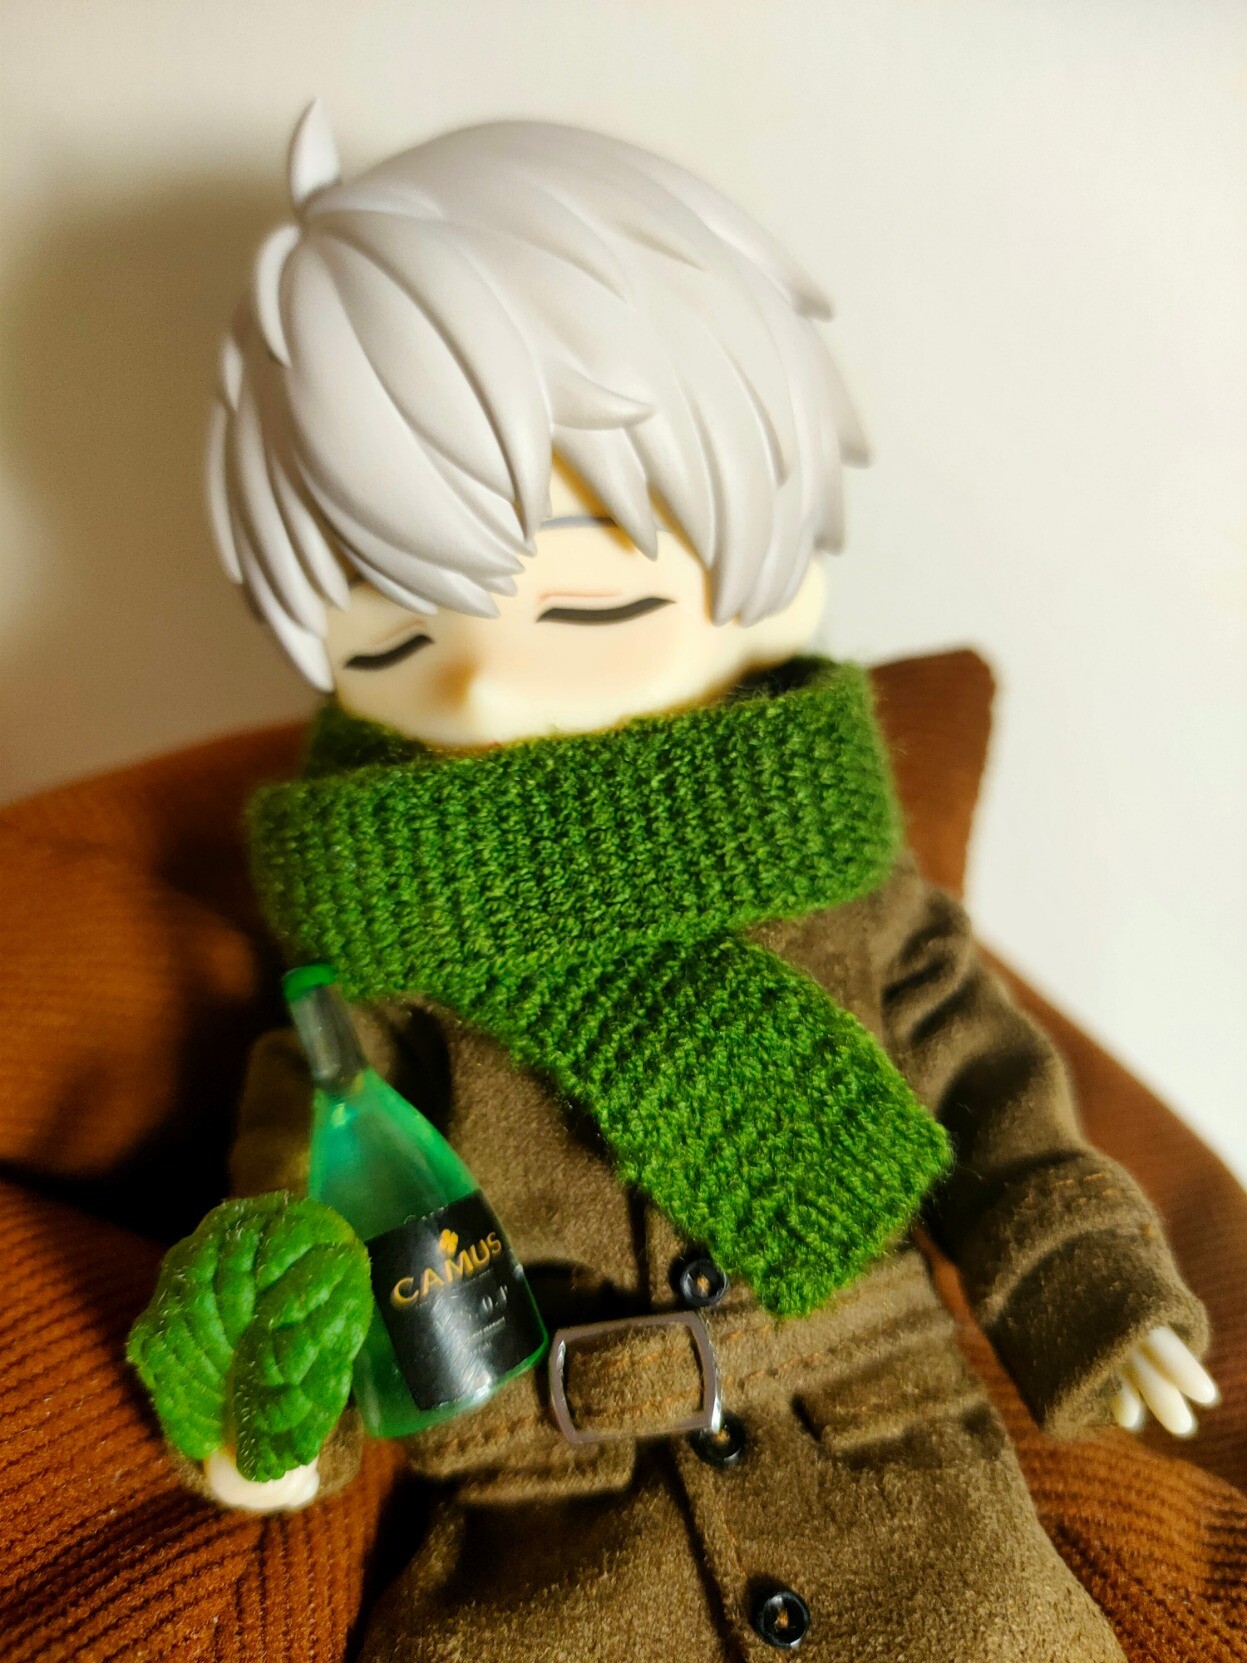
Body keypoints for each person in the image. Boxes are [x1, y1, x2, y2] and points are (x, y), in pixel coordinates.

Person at [191, 103, 1218, 1659]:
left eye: (583, 609)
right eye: (394, 633)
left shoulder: (838, 874)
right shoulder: (372, 945)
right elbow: (314, 1197)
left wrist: (1092, 1283)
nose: (481, 683)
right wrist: (280, 1394)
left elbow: (989, 1090)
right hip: (541, 1511)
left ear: (770, 565)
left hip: (893, 1450)